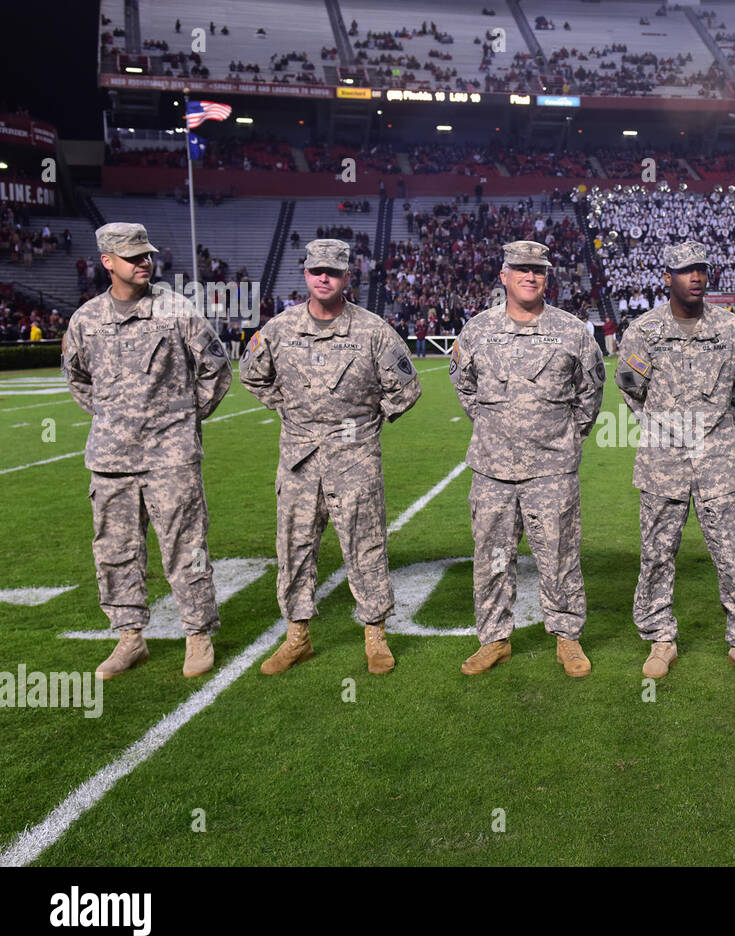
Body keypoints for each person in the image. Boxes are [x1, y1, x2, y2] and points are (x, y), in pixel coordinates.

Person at [240, 239, 422, 676]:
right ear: (305, 274)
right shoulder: (279, 329)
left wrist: (365, 425)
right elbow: (250, 375)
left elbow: (407, 388)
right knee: (295, 548)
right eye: (316, 270)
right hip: (299, 461)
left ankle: (374, 634)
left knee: (365, 547)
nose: (324, 277)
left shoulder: (373, 331)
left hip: (355, 460)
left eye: (333, 272)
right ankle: (297, 637)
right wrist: (286, 408)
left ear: (346, 277)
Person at [62, 223, 232, 680]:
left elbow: (216, 369)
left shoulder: (177, 310)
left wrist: (183, 420)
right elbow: (77, 377)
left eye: (147, 255)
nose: (144, 262)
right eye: (133, 256)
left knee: (186, 547)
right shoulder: (85, 320)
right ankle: (129, 638)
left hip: (170, 457)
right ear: (107, 262)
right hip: (110, 461)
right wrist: (110, 418)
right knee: (115, 550)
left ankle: (197, 634)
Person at [450, 241, 605, 678]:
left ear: (547, 277)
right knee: (492, 557)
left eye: (538, 270)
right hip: (492, 470)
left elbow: (590, 393)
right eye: (520, 268)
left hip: (552, 469)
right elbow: (465, 389)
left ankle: (567, 638)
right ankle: (494, 640)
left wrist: (568, 437)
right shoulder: (477, 330)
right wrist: (492, 428)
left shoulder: (573, 331)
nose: (530, 276)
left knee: (560, 556)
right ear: (504, 275)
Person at [615, 240, 735, 680]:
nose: (695, 277)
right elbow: (631, 391)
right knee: (657, 552)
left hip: (719, 458)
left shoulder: (732, 330)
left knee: (733, 552)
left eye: (701, 269)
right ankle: (661, 637)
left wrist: (713, 434)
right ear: (667, 278)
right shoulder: (642, 332)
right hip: (663, 461)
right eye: (685, 271)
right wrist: (668, 431)